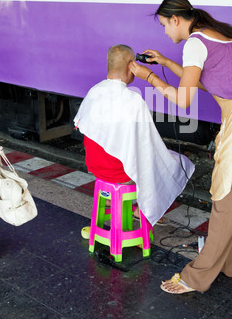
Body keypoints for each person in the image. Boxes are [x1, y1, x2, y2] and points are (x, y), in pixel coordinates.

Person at [130, 0, 232, 294]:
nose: (166, 33)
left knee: (224, 200)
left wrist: (149, 77)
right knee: (229, 195)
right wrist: (165, 61)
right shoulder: (212, 34)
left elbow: (184, 99)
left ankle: (196, 277)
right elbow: (200, 79)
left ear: (176, 19)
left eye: (164, 26)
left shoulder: (195, 43)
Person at [74, 44, 195, 228]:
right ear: (132, 66)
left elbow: (81, 125)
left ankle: (111, 200)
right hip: (119, 174)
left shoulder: (94, 91)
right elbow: (148, 148)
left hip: (96, 168)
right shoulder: (133, 101)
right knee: (178, 163)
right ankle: (145, 209)